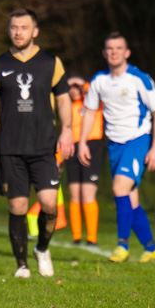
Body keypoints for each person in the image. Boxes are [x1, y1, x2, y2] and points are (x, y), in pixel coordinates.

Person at [0, 8, 74, 278]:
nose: (17, 32)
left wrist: (67, 131)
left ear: (35, 31)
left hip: (44, 147)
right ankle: (22, 265)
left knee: (49, 204)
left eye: (23, 27)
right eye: (13, 27)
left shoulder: (50, 63)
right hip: (10, 148)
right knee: (17, 206)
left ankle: (42, 248)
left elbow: (64, 98)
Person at [78, 32, 155, 263]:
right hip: (115, 145)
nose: (114, 52)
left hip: (137, 140)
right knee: (130, 200)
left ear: (127, 53)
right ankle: (151, 248)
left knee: (119, 188)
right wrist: (83, 141)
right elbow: (90, 111)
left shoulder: (139, 78)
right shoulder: (98, 80)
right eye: (110, 48)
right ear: (104, 53)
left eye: (119, 48)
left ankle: (122, 246)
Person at [65, 75, 104, 246]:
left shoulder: (92, 103)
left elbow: (92, 89)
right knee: (75, 194)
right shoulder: (67, 107)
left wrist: (80, 82)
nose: (74, 90)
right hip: (72, 148)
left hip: (92, 146)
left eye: (77, 87)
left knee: (88, 193)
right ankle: (76, 236)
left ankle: (92, 238)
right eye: (70, 87)